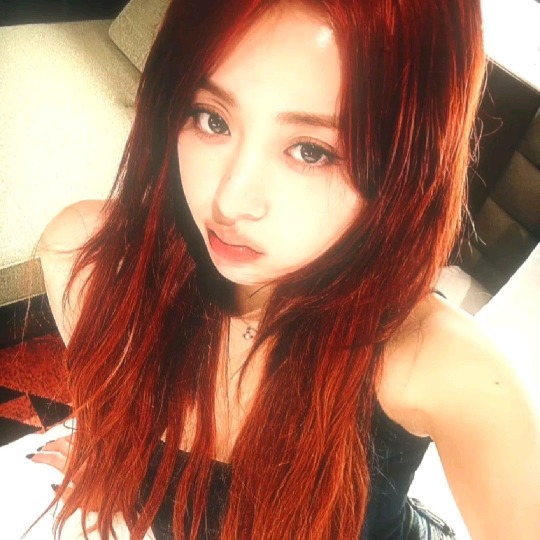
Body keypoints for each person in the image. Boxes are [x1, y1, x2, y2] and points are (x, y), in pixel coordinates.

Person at [20, 0, 540, 538]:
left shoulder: (440, 365)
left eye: (311, 151)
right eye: (212, 119)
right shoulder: (89, 262)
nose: (230, 201)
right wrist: (114, 458)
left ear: (405, 166)